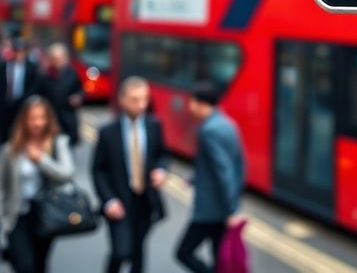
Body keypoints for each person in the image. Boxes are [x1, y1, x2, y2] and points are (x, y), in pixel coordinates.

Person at [92, 76, 167, 273]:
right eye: (135, 100)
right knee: (121, 251)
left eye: (145, 99)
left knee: (138, 251)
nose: (141, 105)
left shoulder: (154, 126)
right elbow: (98, 169)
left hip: (145, 201)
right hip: (119, 202)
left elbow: (161, 155)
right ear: (122, 99)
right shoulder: (108, 132)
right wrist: (109, 200)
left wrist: (161, 170)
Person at [0, 96, 75, 273]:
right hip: (17, 215)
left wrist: (41, 160)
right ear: (24, 120)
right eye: (33, 118)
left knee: (39, 264)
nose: (37, 123)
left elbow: (67, 174)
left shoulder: (58, 143)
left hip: (45, 215)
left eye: (42, 118)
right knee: (24, 265)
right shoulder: (11, 149)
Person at [176, 82, 245, 273]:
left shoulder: (208, 131)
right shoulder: (228, 124)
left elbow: (223, 171)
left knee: (183, 252)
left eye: (192, 103)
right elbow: (237, 165)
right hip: (222, 208)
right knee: (220, 259)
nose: (190, 107)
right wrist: (194, 179)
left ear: (201, 104)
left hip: (210, 211)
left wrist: (232, 209)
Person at [41, 44, 83, 146]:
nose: (58, 61)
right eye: (55, 58)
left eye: (60, 58)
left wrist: (78, 97)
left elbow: (79, 89)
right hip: (50, 118)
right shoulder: (45, 75)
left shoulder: (71, 73)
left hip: (68, 118)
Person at [0, 40, 40, 144]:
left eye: (21, 51)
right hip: (5, 104)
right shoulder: (4, 65)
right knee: (5, 132)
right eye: (17, 51)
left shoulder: (32, 67)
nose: (19, 54)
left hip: (22, 104)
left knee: (20, 131)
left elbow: (34, 86)